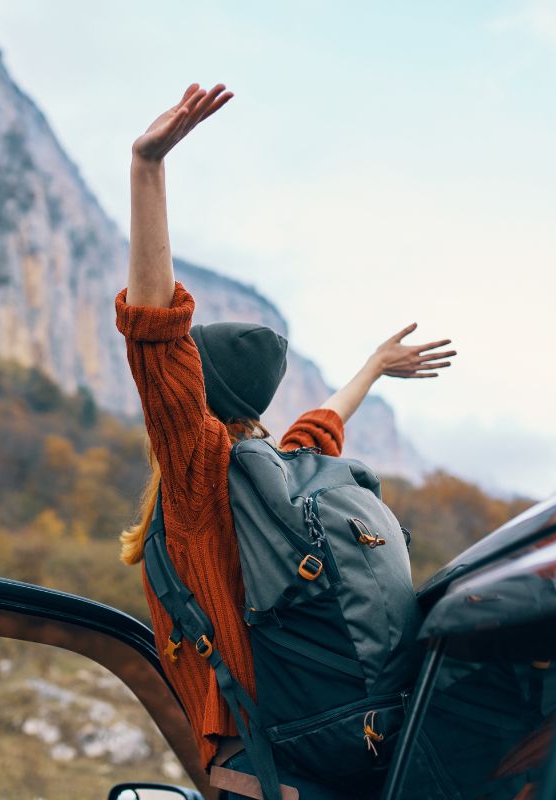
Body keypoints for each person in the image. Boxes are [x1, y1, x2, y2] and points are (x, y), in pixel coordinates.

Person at [115, 83, 457, 798]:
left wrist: (147, 170)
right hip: (327, 760)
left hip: (253, 771)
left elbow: (155, 339)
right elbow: (321, 424)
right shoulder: (286, 475)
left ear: (196, 398)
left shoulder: (202, 481)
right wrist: (372, 368)